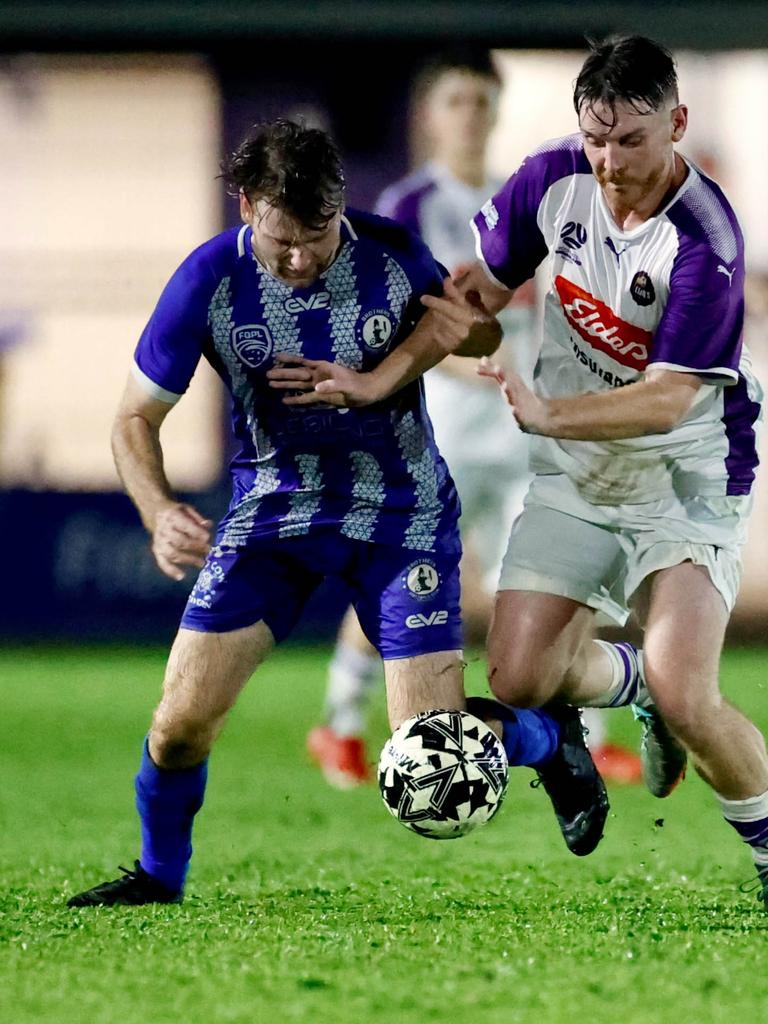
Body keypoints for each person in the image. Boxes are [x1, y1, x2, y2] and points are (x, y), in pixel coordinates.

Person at [270, 36, 768, 912]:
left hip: (686, 476)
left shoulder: (707, 239)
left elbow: (662, 402)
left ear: (678, 124)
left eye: (633, 143)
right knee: (519, 681)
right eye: (597, 140)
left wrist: (545, 413)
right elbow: (477, 306)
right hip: (575, 470)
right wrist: (387, 364)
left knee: (692, 694)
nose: (610, 163)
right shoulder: (549, 182)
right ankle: (630, 687)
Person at [67, 120, 608, 908]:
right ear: (246, 203)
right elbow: (131, 420)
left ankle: (550, 739)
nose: (300, 257)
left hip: (402, 519)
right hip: (272, 521)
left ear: (339, 207)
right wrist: (157, 512)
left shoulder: (391, 254)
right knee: (179, 726)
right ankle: (159, 877)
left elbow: (471, 333)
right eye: (282, 238)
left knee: (432, 754)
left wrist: (475, 327)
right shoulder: (208, 281)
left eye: (316, 236)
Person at [306, 50, 641, 790]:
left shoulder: (526, 201)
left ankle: (584, 736)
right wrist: (471, 370)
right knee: (415, 580)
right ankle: (338, 723)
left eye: (483, 101)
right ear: (431, 113)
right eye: (457, 101)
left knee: (564, 577)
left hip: (527, 431)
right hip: (442, 429)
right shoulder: (405, 206)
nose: (471, 116)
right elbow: (385, 327)